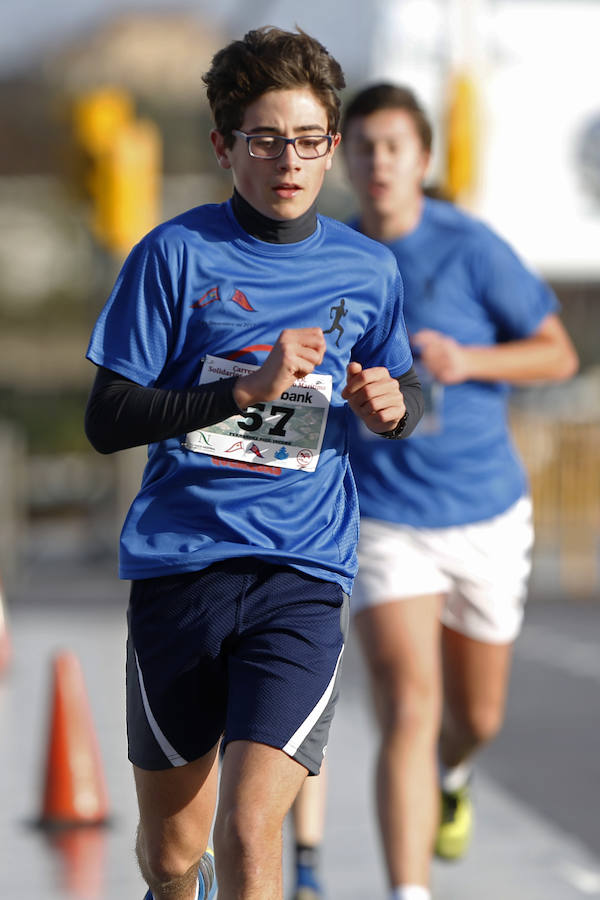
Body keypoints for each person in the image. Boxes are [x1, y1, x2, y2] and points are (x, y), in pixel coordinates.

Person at [84, 31, 424, 900]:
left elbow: (405, 388)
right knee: (172, 853)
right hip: (180, 569)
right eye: (265, 139)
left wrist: (397, 407)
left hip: (301, 575)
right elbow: (108, 417)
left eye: (308, 140)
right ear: (223, 145)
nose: (289, 160)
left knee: (247, 828)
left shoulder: (369, 269)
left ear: (332, 146)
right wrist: (244, 393)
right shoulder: (172, 255)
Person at [333, 83, 578, 900]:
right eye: (362, 146)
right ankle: (410, 891)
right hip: (384, 516)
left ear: (423, 159)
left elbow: (557, 356)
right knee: (408, 703)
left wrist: (468, 362)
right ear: (344, 157)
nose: (377, 163)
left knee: (475, 720)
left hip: (484, 509)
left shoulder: (471, 247)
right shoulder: (329, 254)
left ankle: (456, 772)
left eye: (393, 146)